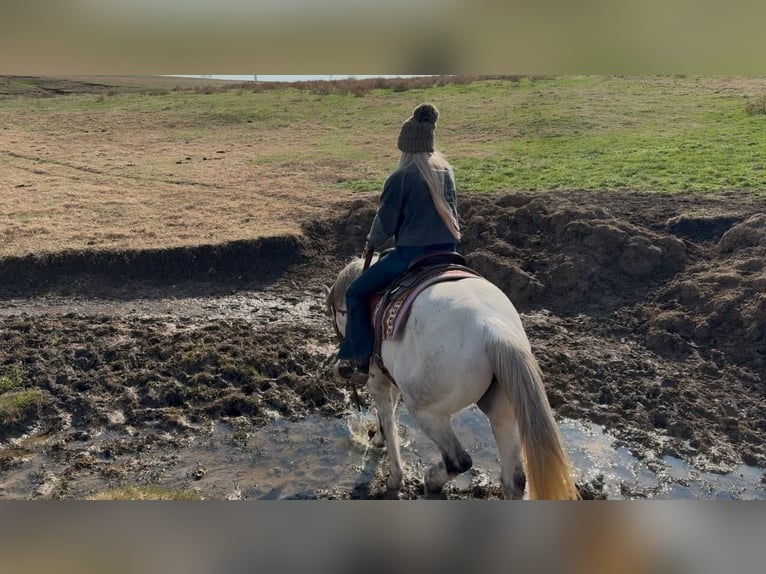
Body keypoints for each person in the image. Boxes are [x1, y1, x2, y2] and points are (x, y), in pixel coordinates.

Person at [336, 102, 461, 385]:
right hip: (449, 253)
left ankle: (360, 360)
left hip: (410, 255)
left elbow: (385, 221)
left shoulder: (401, 178)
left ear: (405, 147)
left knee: (356, 293)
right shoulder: (446, 172)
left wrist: (372, 243)